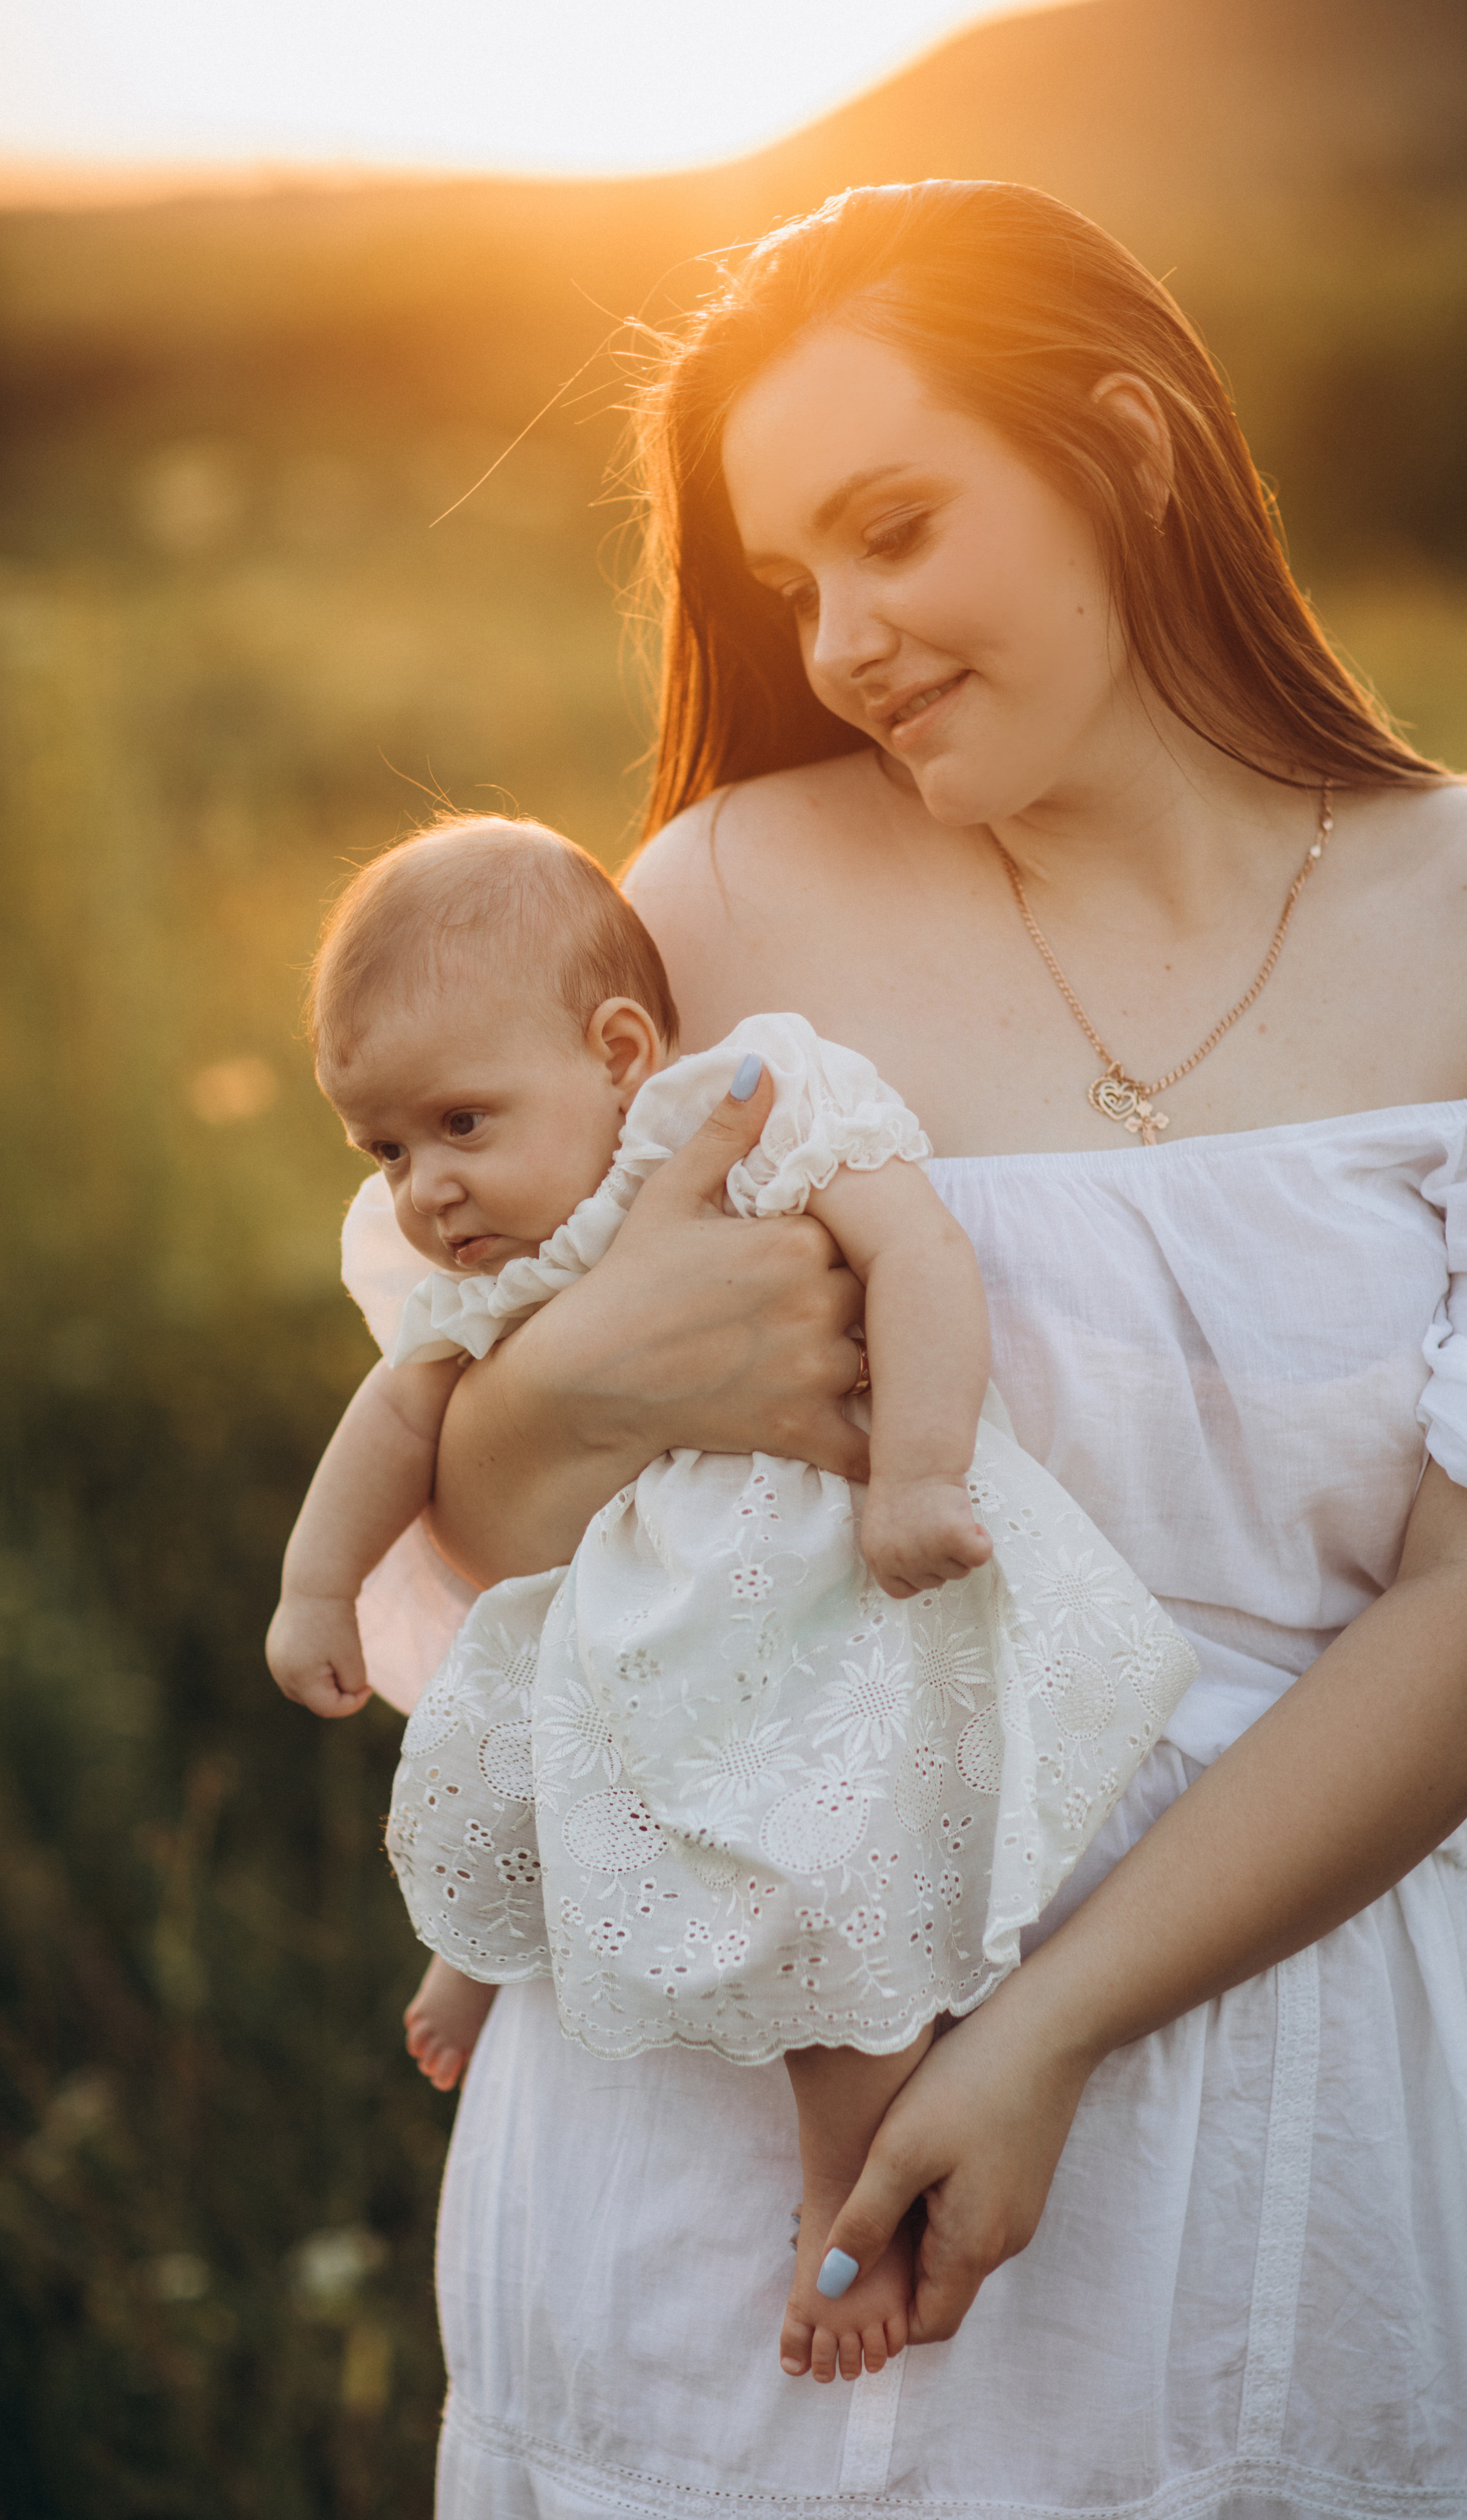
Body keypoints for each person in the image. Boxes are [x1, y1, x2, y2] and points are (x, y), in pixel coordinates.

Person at [342, 182, 1467, 2512]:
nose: (839, 636)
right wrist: (610, 1397)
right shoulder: (726, 898)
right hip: (731, 2079)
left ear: (1125, 448)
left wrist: (1037, 2040)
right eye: (792, 578)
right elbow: (495, 1503)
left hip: (1267, 2048)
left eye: (895, 529)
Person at [268, 811, 1198, 2377]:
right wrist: (315, 1590)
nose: (425, 1187)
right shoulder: (498, 1248)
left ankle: (840, 2185)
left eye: (457, 1122)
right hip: (629, 1609)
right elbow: (399, 1416)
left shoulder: (747, 1108)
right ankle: (502, 1940)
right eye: (383, 1151)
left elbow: (917, 1259)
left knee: (819, 1868)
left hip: (809, 1597)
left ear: (618, 1048)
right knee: (515, 1739)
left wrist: (914, 1472)